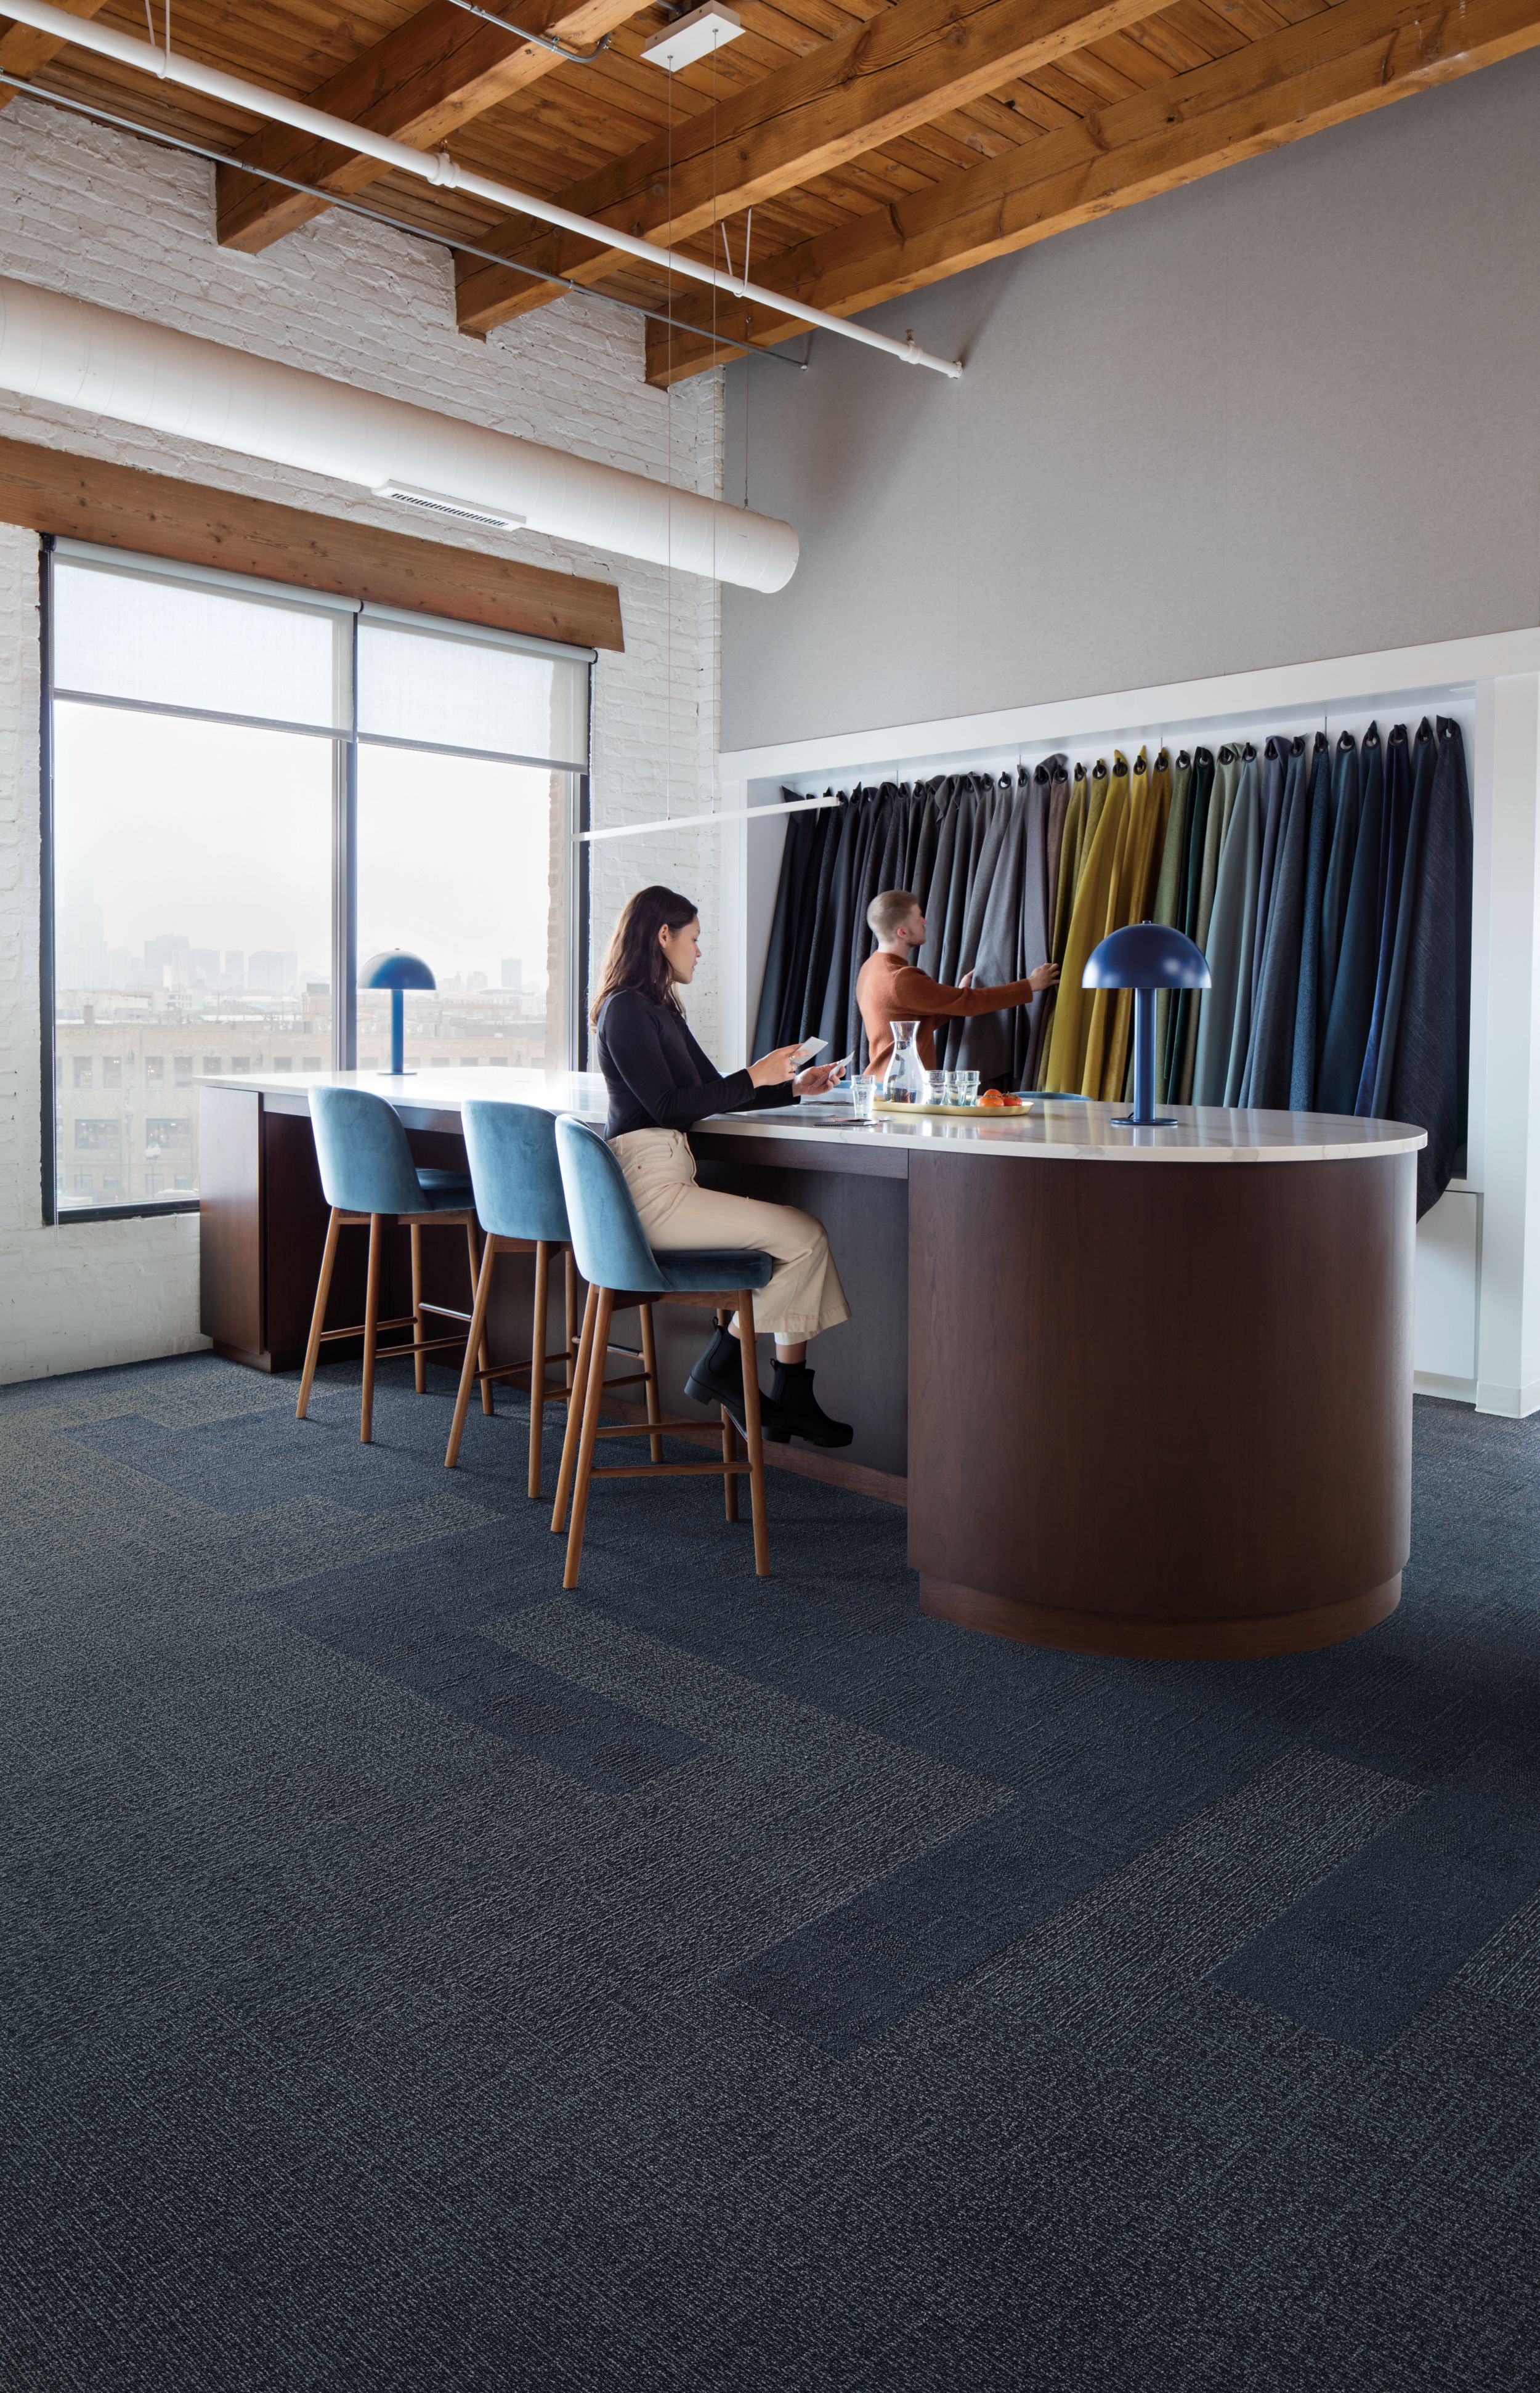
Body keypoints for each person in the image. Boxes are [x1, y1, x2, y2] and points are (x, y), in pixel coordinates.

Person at [592, 885, 853, 1449]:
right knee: (805, 1238)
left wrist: (792, 1087)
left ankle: (790, 1395)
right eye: (694, 938)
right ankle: (725, 1361)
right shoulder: (624, 1009)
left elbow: (712, 1093)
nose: (699, 952)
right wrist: (757, 1075)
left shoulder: (659, 1008)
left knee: (799, 1241)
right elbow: (665, 1106)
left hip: (669, 1177)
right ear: (664, 936)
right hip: (648, 1190)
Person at [856, 889, 1059, 1079]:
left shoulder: (871, 968)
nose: (924, 921)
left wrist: (957, 997)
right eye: (918, 918)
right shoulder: (900, 978)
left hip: (886, 1082)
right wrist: (1030, 985)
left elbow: (921, 1021)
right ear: (902, 932)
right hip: (903, 1087)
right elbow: (969, 1003)